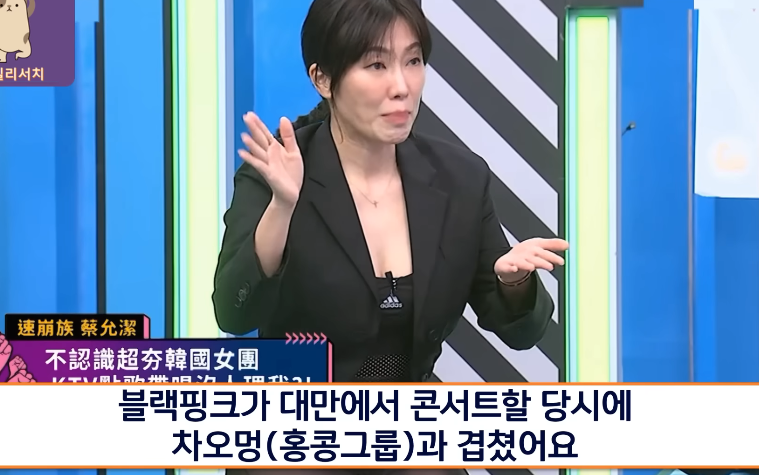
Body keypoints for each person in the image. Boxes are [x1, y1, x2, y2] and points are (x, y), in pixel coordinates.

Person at [215, 0, 567, 472]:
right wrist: (282, 207)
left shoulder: (460, 179)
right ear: (323, 78)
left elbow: (521, 333)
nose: (401, 86)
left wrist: (514, 282)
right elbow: (234, 313)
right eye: (376, 65)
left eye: (413, 61)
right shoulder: (278, 173)